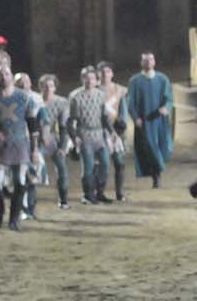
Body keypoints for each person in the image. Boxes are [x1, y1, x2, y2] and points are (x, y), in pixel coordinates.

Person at [0, 71, 41, 229]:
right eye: (0, 75)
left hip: (20, 144)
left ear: (12, 77)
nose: (3, 78)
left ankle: (14, 220)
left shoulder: (24, 98)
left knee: (19, 183)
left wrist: (34, 149)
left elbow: (33, 124)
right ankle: (0, 213)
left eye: (6, 74)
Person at [125, 52, 174, 188]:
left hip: (159, 121)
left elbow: (169, 99)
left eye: (151, 59)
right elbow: (130, 102)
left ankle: (157, 172)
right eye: (145, 60)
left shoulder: (162, 79)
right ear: (141, 63)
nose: (148, 62)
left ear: (154, 62)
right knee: (150, 148)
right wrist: (135, 118)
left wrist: (166, 107)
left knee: (161, 147)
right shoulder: (135, 81)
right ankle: (156, 176)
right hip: (144, 122)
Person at [65, 66, 112, 204]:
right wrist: (74, 138)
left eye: (92, 78)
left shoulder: (101, 95)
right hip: (84, 134)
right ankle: (87, 194)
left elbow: (104, 116)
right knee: (89, 167)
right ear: (82, 79)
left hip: (99, 134)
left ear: (96, 80)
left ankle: (100, 192)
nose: (89, 80)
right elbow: (70, 121)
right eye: (86, 77)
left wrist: (111, 132)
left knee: (105, 164)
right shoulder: (75, 96)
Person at [33, 74, 71, 211]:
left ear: (55, 87)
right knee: (33, 171)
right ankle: (30, 203)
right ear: (40, 87)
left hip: (53, 139)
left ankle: (63, 200)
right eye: (45, 86)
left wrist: (62, 146)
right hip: (36, 141)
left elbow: (63, 126)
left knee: (62, 169)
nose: (49, 89)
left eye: (51, 86)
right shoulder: (34, 100)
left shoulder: (61, 102)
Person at [98, 62, 131, 202]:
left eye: (108, 71)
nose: (105, 74)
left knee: (119, 162)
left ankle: (119, 192)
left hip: (116, 131)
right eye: (102, 71)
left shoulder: (120, 90)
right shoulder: (95, 90)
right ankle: (99, 191)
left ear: (112, 73)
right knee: (102, 163)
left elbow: (123, 109)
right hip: (100, 131)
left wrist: (121, 126)